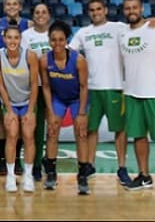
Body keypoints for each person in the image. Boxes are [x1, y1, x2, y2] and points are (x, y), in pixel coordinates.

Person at [68, 0, 133, 185]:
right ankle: (89, 165)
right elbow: (69, 52)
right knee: (91, 129)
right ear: (89, 12)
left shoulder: (119, 28)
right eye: (92, 10)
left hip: (115, 87)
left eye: (98, 9)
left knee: (120, 130)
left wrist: (154, 22)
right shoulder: (83, 32)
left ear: (105, 10)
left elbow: (141, 29)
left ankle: (122, 167)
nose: (95, 12)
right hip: (91, 89)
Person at [119, 0, 155, 200]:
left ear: (142, 9)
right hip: (132, 93)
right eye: (127, 8)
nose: (131, 11)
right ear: (124, 11)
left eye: (135, 7)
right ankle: (144, 175)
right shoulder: (122, 33)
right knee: (139, 137)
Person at [39, 20, 91, 195]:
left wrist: (82, 112)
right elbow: (45, 86)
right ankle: (51, 173)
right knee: (52, 131)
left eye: (61, 40)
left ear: (66, 40)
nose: (57, 43)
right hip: (58, 99)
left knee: (81, 133)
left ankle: (82, 176)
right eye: (54, 40)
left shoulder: (79, 60)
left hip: (77, 99)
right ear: (49, 40)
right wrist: (51, 110)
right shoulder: (45, 60)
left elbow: (84, 87)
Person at [0, 21, 39, 193]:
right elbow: (0, 84)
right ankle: (11, 176)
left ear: (20, 39)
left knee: (28, 135)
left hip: (27, 102)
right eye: (9, 37)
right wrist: (9, 110)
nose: (13, 41)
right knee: (12, 135)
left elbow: (34, 84)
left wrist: (31, 110)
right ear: (3, 39)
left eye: (16, 38)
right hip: (10, 102)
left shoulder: (30, 56)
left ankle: (28, 175)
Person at [0, 0, 33, 176]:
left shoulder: (29, 24)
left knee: (21, 121)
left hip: (21, 77)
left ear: (20, 6)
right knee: (2, 117)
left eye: (15, 4)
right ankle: (2, 158)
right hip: (1, 75)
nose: (11, 6)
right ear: (4, 6)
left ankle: (16, 159)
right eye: (8, 4)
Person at [20, 3, 52, 182]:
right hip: (34, 87)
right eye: (37, 12)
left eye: (44, 12)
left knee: (53, 127)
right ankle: (36, 164)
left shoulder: (54, 33)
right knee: (36, 128)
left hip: (54, 86)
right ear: (33, 16)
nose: (40, 15)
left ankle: (50, 161)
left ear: (49, 15)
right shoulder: (26, 36)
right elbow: (26, 61)